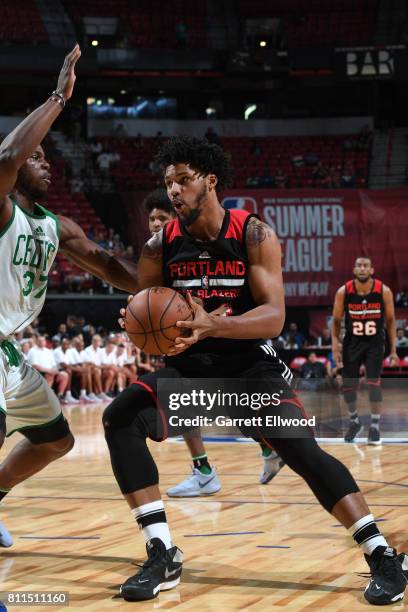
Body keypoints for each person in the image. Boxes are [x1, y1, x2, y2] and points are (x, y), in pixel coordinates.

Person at [102, 137, 406, 604]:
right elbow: (148, 310)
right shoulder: (158, 247)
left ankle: (382, 554)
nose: (175, 191)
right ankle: (162, 551)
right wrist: (136, 322)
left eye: (183, 180)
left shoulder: (252, 233)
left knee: (302, 451)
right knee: (120, 416)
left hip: (249, 368)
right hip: (191, 376)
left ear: (210, 180)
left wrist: (213, 324)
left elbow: (273, 317)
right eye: (168, 184)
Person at [0, 44, 142, 550]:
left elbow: (109, 266)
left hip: (8, 351)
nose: (47, 165)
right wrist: (60, 96)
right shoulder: (2, 208)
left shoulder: (56, 226)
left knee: (56, 439)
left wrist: (157, 287)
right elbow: (9, 154)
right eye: (38, 159)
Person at [143, 189, 283, 496]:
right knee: (181, 404)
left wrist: (214, 319)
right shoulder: (159, 252)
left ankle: (268, 444)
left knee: (240, 411)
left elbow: (231, 300)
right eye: (151, 218)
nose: (155, 224)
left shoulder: (209, 246)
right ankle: (203, 470)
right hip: (181, 340)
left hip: (226, 337)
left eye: (162, 217)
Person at [332, 257, 398, 445]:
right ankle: (355, 422)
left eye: (365, 266)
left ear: (372, 270)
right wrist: (334, 346)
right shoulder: (344, 291)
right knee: (348, 386)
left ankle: (375, 427)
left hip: (375, 343)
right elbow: (336, 321)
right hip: (352, 342)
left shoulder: (383, 291)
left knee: (373, 384)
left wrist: (393, 350)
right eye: (359, 266)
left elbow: (391, 321)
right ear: (354, 270)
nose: (362, 268)